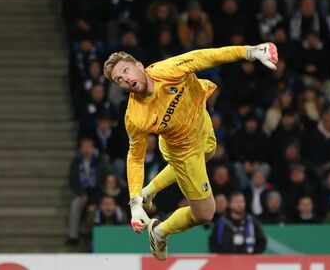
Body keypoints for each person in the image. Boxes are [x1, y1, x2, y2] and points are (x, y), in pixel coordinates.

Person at [103, 42, 278, 260]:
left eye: (126, 71)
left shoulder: (169, 70)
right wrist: (134, 204)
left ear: (139, 65)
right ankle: (159, 232)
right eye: (119, 79)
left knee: (210, 153)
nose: (125, 79)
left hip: (200, 122)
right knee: (205, 214)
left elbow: (207, 56)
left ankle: (150, 190)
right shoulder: (135, 116)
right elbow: (135, 158)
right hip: (183, 153)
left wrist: (249, 52)